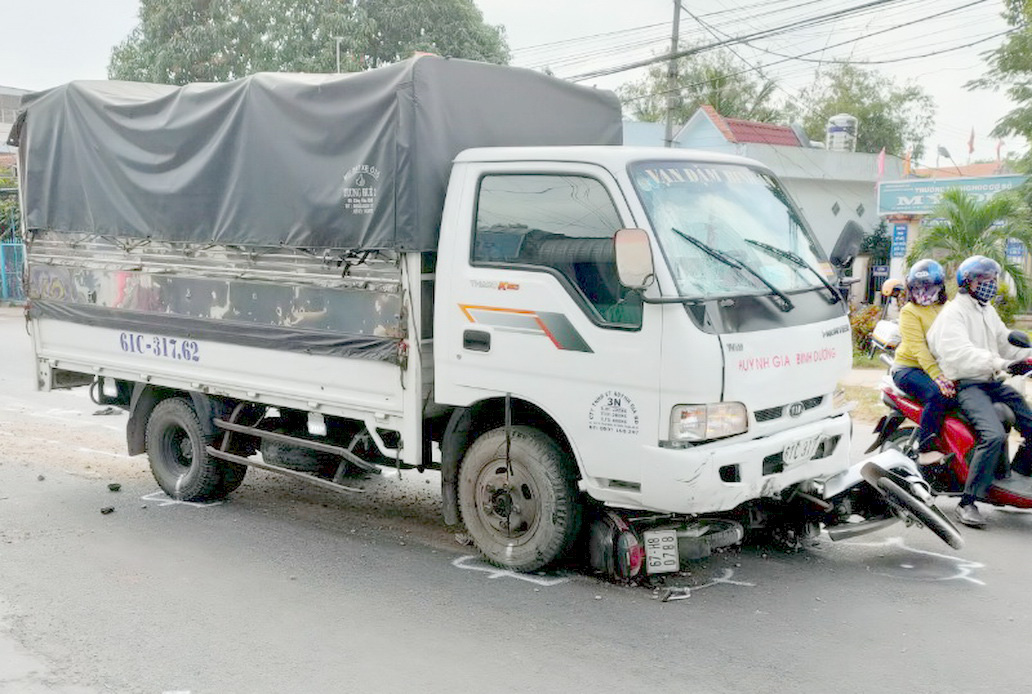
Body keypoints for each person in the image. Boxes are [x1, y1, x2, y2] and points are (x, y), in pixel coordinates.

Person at [926, 255, 1032, 528]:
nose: (990, 285)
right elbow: (961, 353)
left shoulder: (987, 310)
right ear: (967, 282)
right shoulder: (954, 313)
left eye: (993, 280)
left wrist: (1026, 356)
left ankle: (1015, 476)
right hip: (967, 383)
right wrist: (1002, 363)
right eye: (983, 280)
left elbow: (1004, 341)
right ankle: (968, 501)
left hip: (992, 381)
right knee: (993, 434)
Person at [890, 260, 954, 464]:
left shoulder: (948, 307)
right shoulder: (909, 311)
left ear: (940, 286)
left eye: (928, 287)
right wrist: (938, 377)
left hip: (939, 368)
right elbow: (918, 349)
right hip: (908, 369)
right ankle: (926, 448)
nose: (923, 292)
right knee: (936, 395)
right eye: (918, 287)